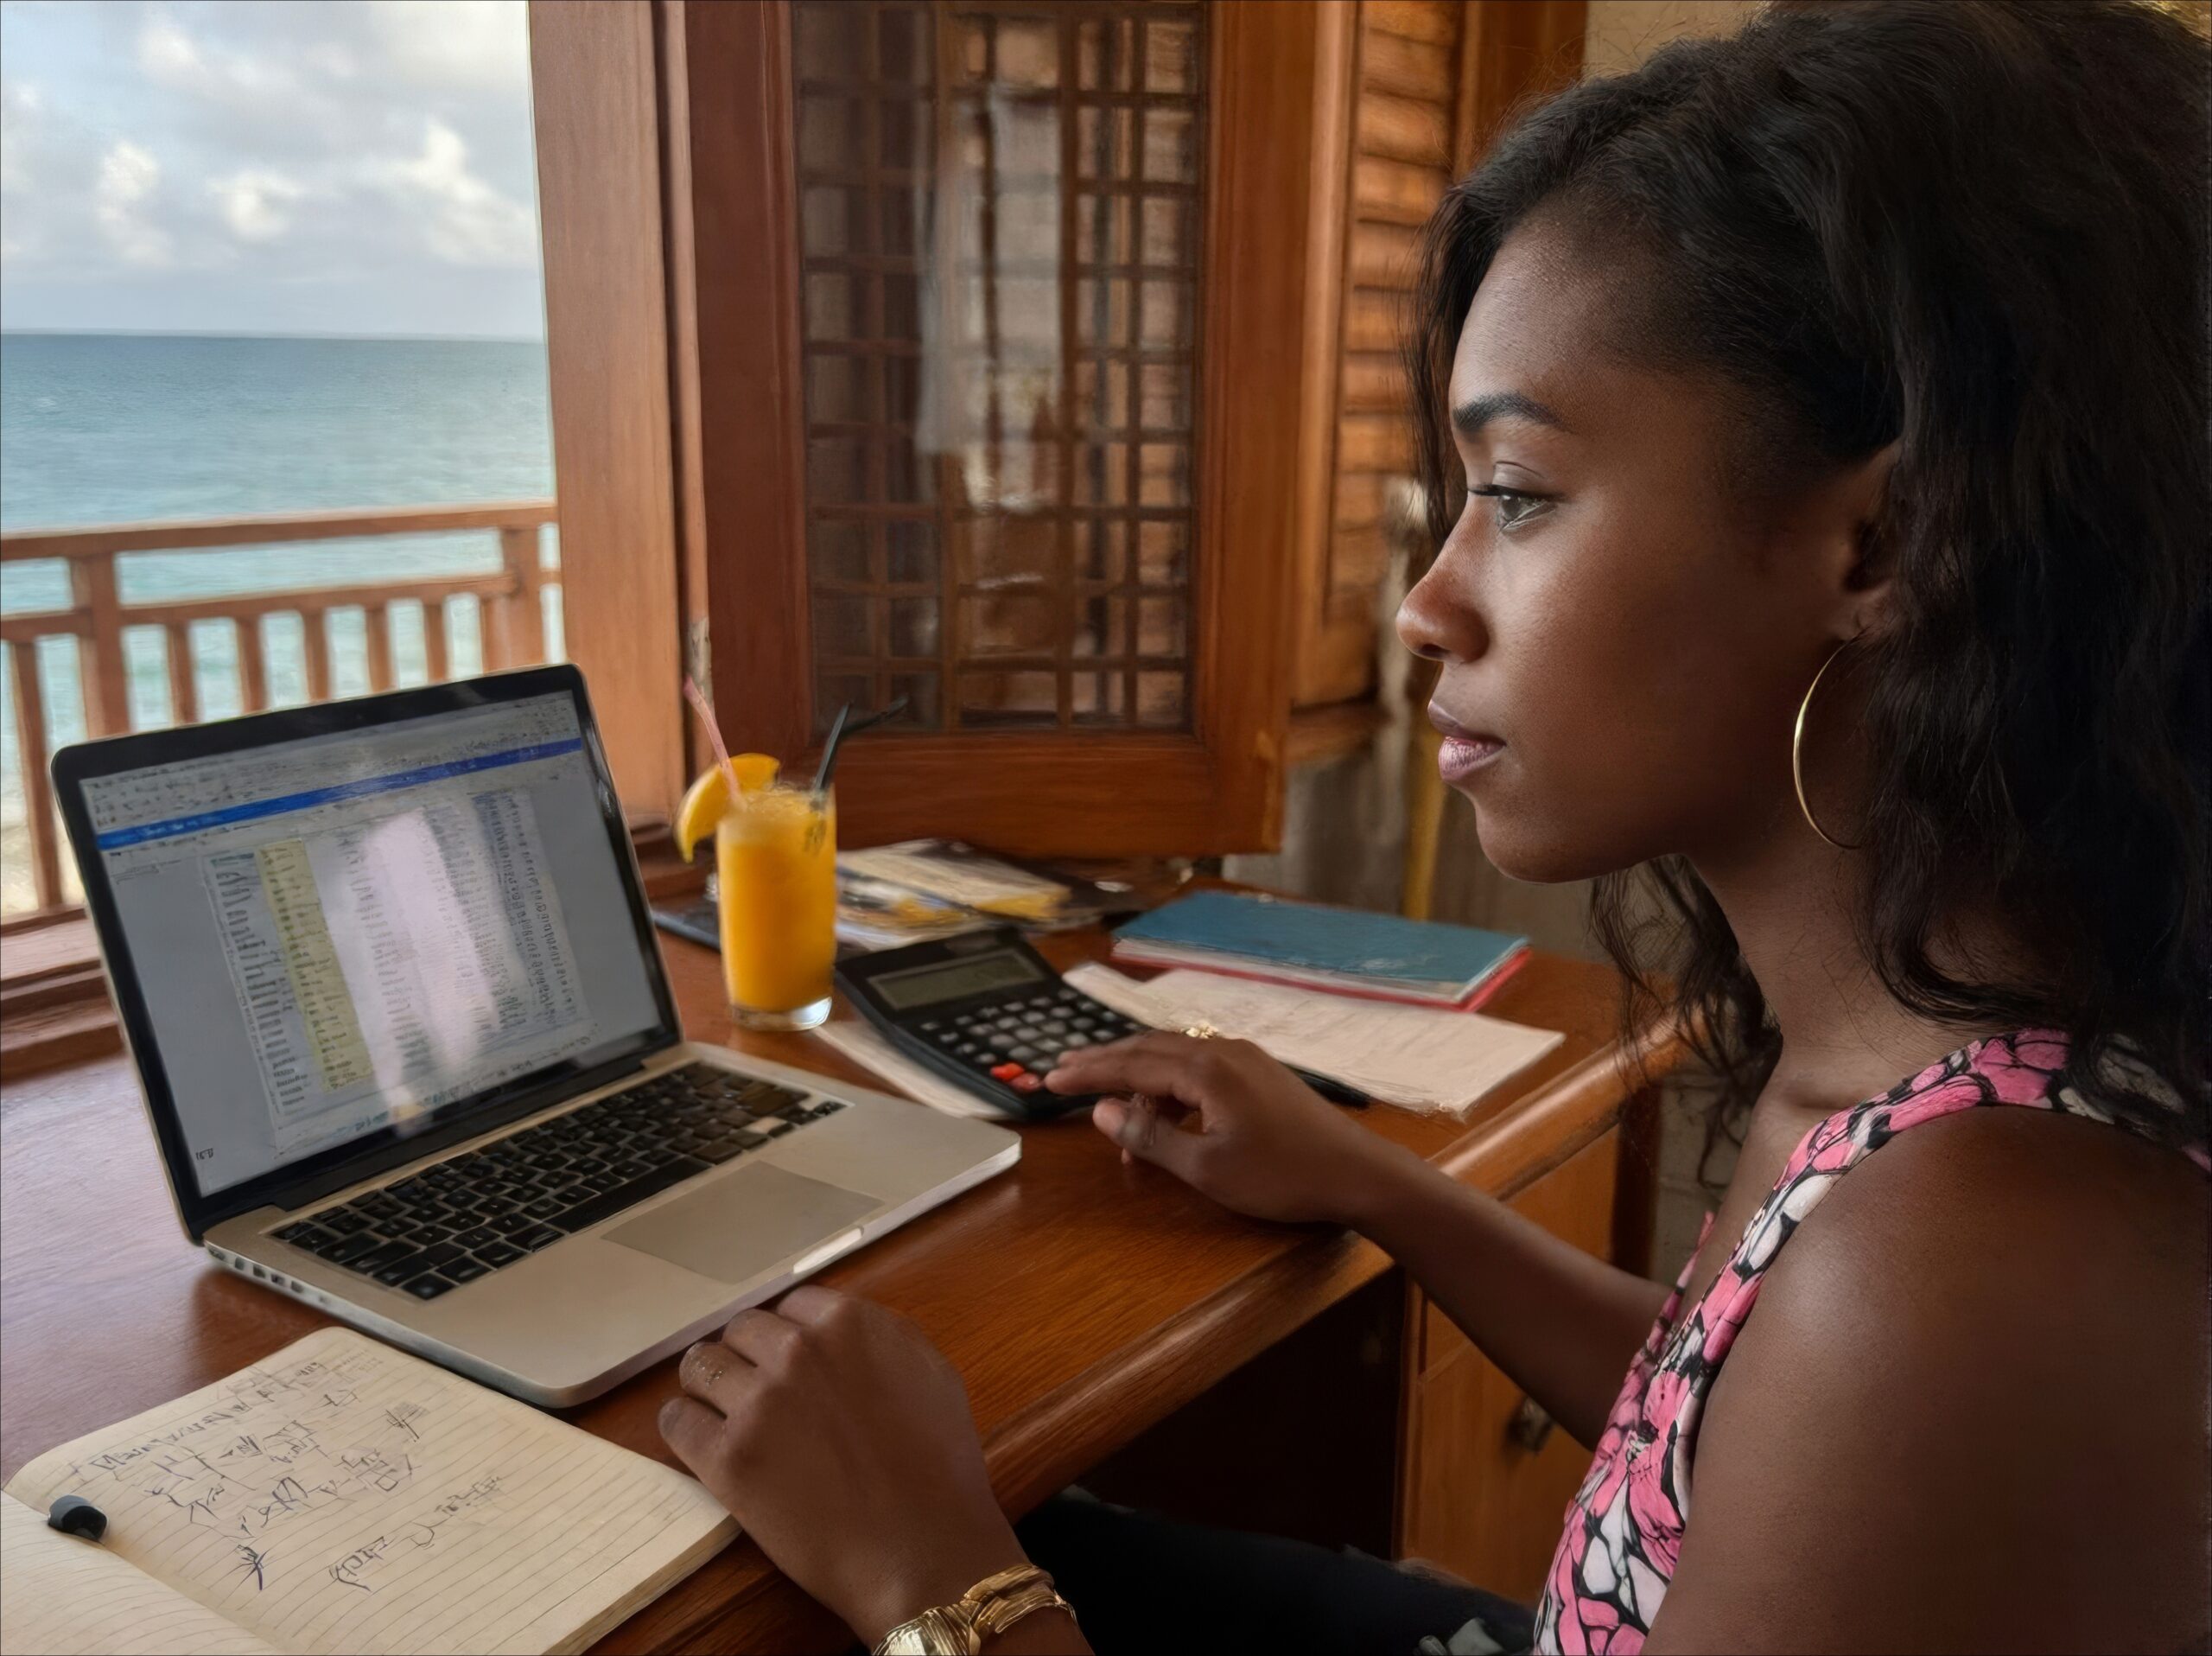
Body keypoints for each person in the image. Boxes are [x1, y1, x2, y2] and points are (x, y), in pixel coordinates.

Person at [653, 2, 2210, 1650]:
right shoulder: (1949, 1069)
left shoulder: (1974, 1258)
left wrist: (935, 1587)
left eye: (1520, 493)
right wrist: (1375, 1186)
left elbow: (1840, 1403)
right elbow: (1731, 1442)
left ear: (1885, 543)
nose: (1425, 604)